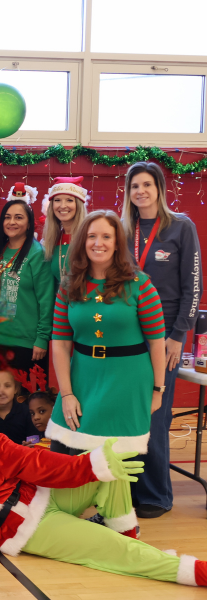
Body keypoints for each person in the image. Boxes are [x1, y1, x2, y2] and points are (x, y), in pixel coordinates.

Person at [0, 402, 207, 588]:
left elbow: (36, 462)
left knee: (107, 462)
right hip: (27, 530)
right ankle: (196, 571)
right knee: (115, 552)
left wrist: (89, 463)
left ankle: (127, 533)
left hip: (48, 495)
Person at [47, 210, 166, 457]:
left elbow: (156, 344)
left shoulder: (140, 285)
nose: (98, 243)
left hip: (128, 383)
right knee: (63, 454)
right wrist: (66, 393)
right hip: (82, 379)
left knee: (115, 465)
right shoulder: (68, 286)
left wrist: (157, 390)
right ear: (83, 241)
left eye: (106, 237)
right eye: (91, 236)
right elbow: (59, 344)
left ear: (117, 244)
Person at [121, 162, 203, 519]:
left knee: (155, 411)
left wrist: (177, 335)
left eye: (147, 185)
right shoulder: (124, 230)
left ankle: (156, 495)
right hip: (127, 331)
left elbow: (193, 287)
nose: (141, 191)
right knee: (126, 412)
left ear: (159, 189)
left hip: (165, 333)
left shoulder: (181, 228)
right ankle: (126, 492)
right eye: (134, 186)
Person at [0, 199, 54, 392]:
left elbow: (47, 300)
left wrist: (42, 338)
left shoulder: (38, 254)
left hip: (26, 345)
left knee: (26, 408)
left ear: (29, 224)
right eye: (7, 217)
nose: (12, 222)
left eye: (18, 217)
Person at [41, 176, 89, 289]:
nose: (62, 206)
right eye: (57, 200)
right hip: (59, 305)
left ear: (78, 204)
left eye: (69, 200)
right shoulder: (49, 242)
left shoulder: (90, 238)